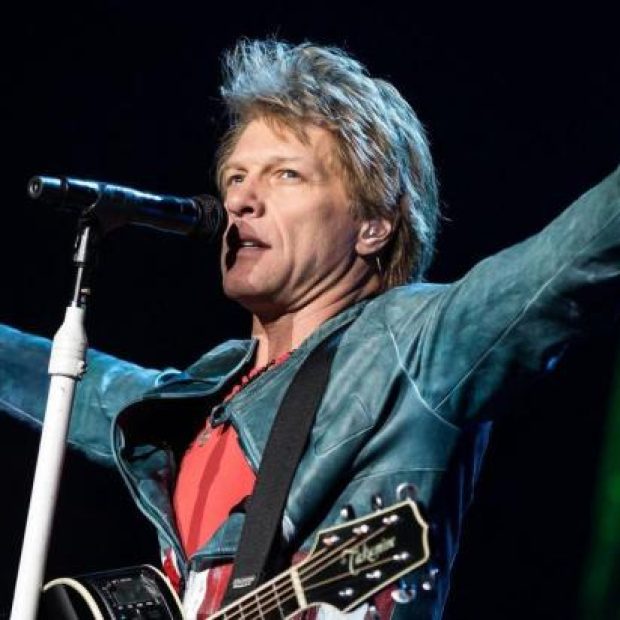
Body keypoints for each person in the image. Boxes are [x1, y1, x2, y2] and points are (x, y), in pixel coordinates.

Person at [1, 38, 619, 620]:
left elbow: (574, 257)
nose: (240, 201)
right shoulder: (196, 402)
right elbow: (60, 379)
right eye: (236, 177)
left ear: (373, 224)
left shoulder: (414, 346)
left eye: (285, 175)